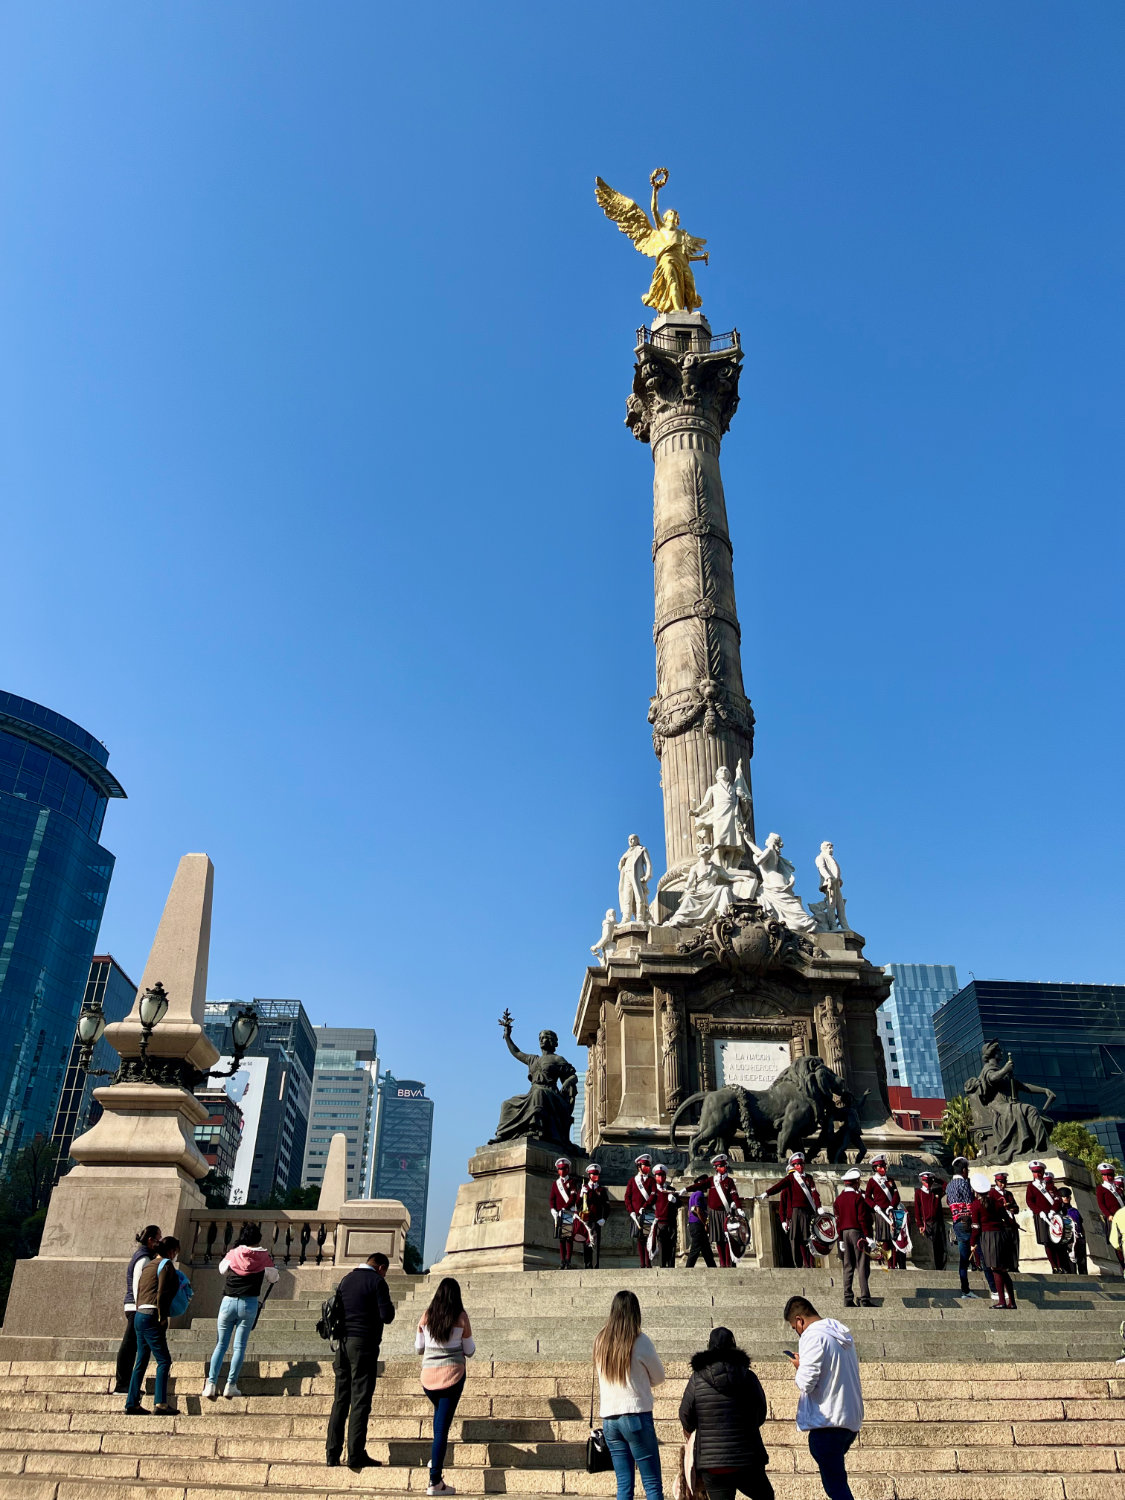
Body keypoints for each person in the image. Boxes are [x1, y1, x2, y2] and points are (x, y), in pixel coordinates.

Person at [678, 1326, 773, 1500]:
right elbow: (760, 1412)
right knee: (766, 1496)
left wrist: (697, 1430)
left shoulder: (697, 1379)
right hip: (747, 1459)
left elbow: (685, 1414)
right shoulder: (748, 1376)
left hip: (713, 1463)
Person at [783, 1296, 863, 1500]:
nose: (797, 1332)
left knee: (836, 1488)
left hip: (827, 1421)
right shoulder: (840, 1334)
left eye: (795, 1327)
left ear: (800, 1320)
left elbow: (806, 1383)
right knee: (837, 1482)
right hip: (848, 1420)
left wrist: (799, 1367)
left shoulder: (812, 1336)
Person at [326, 1251, 396, 1472]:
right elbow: (387, 1315)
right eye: (385, 1272)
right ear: (381, 1268)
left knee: (340, 1399)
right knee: (360, 1400)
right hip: (364, 1345)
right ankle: (355, 1455)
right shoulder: (377, 1282)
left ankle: (332, 1453)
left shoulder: (347, 1279)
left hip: (343, 1345)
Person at [594, 1290, 665, 1500]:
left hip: (609, 1420)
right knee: (652, 1485)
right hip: (635, 1416)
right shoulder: (640, 1340)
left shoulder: (600, 1340)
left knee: (624, 1486)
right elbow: (659, 1377)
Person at [203, 1222, 280, 1399]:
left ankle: (211, 1384)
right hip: (249, 1303)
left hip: (228, 1301)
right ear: (258, 1238)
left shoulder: (234, 1252)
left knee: (221, 1345)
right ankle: (231, 1384)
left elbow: (222, 1269)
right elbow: (274, 1277)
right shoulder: (263, 1256)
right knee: (239, 1347)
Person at [416, 1276, 475, 1497]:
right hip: (452, 1377)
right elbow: (469, 1350)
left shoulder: (426, 1316)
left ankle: (435, 1458)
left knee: (439, 1421)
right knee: (441, 1430)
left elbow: (418, 1348)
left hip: (428, 1380)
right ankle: (435, 1481)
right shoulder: (460, 1318)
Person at [125, 1235, 181, 1415]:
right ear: (171, 1251)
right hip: (152, 1314)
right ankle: (161, 1403)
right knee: (164, 1360)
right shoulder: (165, 1264)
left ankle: (132, 1402)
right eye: (175, 1252)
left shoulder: (149, 1265)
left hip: (140, 1314)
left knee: (141, 1360)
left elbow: (141, 1290)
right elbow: (162, 1292)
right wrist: (162, 1317)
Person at [115, 1224, 161, 1395]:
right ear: (150, 1240)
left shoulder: (144, 1256)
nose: (159, 1243)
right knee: (129, 1345)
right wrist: (140, 1307)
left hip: (135, 1306)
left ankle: (125, 1383)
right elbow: (138, 1286)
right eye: (158, 1239)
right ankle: (122, 1384)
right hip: (136, 1307)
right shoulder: (143, 1259)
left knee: (132, 1345)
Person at [759, 1153, 820, 1270]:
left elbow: (814, 1193)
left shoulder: (809, 1178)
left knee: (811, 1237)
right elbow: (778, 1187)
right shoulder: (791, 1179)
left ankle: (812, 1263)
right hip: (796, 1212)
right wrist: (766, 1193)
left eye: (801, 1164)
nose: (800, 1166)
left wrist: (818, 1207)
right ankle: (805, 1263)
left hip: (808, 1211)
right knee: (800, 1239)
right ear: (793, 1166)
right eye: (797, 1164)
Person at [968, 1173, 1016, 1309]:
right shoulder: (997, 1203)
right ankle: (1011, 1301)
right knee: (1003, 1270)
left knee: (995, 1269)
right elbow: (1008, 1220)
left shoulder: (976, 1205)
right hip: (1001, 1236)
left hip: (988, 1237)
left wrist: (972, 1243)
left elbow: (976, 1227)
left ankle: (1002, 1301)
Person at [832, 1169, 872, 1308]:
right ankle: (864, 1297)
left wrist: (841, 1240)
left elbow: (837, 1220)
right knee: (861, 1265)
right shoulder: (857, 1198)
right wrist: (868, 1236)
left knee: (848, 1266)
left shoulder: (838, 1199)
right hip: (857, 1232)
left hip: (844, 1234)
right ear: (855, 1183)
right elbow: (862, 1219)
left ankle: (847, 1298)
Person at [945, 1158, 978, 1298]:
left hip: (956, 1221)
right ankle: (995, 1290)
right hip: (967, 1221)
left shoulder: (949, 1185)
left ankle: (965, 1289)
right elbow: (969, 1203)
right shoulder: (963, 1183)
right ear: (964, 1170)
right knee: (979, 1252)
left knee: (963, 1260)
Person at [1026, 1161, 1066, 1274]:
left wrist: (1053, 1210)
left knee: (1056, 1241)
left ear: (1043, 1172)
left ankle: (1060, 1265)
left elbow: (1058, 1199)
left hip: (1053, 1216)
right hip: (1042, 1217)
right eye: (1034, 1172)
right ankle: (1054, 1266)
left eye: (1039, 1172)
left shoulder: (1050, 1186)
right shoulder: (1031, 1186)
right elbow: (1029, 1201)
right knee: (1047, 1242)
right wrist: (1039, 1212)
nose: (1037, 1174)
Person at [864, 1156, 904, 1270]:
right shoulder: (872, 1181)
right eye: (880, 1166)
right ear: (875, 1168)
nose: (883, 1168)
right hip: (881, 1213)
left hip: (892, 1211)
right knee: (885, 1239)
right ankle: (889, 1263)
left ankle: (894, 1263)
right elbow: (867, 1197)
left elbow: (896, 1195)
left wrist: (891, 1206)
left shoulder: (890, 1180)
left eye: (884, 1166)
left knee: (894, 1238)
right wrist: (874, 1206)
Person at [708, 1155, 746, 1268]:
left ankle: (728, 1263)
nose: (724, 1168)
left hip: (726, 1212)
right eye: (722, 1166)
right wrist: (685, 1189)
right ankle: (722, 1262)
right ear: (716, 1168)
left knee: (727, 1239)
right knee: (719, 1239)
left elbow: (734, 1195)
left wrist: (739, 1208)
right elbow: (699, 1185)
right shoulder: (712, 1180)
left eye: (725, 1166)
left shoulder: (729, 1181)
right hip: (715, 1213)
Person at [625, 1155, 659, 1268]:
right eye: (646, 1165)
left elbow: (654, 1195)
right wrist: (631, 1212)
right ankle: (642, 1263)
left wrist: (645, 1206)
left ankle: (648, 1263)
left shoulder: (651, 1180)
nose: (648, 1168)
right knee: (640, 1239)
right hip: (637, 1214)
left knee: (648, 1237)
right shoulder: (632, 1181)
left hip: (648, 1213)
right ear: (639, 1166)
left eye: (649, 1166)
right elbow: (627, 1197)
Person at [550, 1157, 583, 1271]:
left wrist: (564, 1208)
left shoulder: (572, 1182)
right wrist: (553, 1209)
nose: (562, 1171)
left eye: (564, 1169)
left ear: (568, 1169)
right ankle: (562, 1261)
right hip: (559, 1214)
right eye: (560, 1169)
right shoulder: (555, 1184)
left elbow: (573, 1197)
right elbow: (552, 1198)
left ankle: (568, 1261)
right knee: (561, 1239)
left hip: (568, 1212)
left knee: (568, 1238)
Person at [911, 1174, 946, 1271]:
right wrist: (920, 1225)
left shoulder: (936, 1191)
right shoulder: (919, 1193)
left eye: (930, 1181)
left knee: (941, 1246)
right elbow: (917, 1210)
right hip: (928, 1223)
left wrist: (937, 1180)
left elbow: (946, 1186)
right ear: (922, 1181)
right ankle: (935, 1268)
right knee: (932, 1248)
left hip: (938, 1223)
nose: (928, 1184)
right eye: (926, 1181)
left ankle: (942, 1267)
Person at [579, 1163, 610, 1269]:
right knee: (587, 1243)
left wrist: (604, 1219)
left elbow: (606, 1206)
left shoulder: (601, 1190)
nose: (595, 1176)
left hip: (597, 1220)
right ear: (589, 1176)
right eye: (593, 1174)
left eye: (596, 1174)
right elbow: (578, 1205)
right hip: (586, 1219)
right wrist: (580, 1195)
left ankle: (595, 1265)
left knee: (596, 1244)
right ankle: (587, 1264)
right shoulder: (585, 1188)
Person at [650, 1165, 681, 1268]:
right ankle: (662, 1267)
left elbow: (680, 1204)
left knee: (672, 1247)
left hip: (671, 1222)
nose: (661, 1178)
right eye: (658, 1176)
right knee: (662, 1247)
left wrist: (675, 1200)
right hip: (660, 1223)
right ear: (655, 1177)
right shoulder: (654, 1191)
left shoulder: (671, 1189)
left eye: (662, 1176)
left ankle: (671, 1267)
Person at [1096, 1163, 1124, 1271]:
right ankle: (1123, 1266)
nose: (1107, 1177)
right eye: (1105, 1175)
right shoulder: (1101, 1188)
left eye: (1110, 1175)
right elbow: (1101, 1204)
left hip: (1123, 1217)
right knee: (1117, 1243)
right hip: (1113, 1218)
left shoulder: (1118, 1189)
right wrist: (1108, 1215)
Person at [685, 1175, 717, 1269]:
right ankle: (688, 1268)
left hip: (693, 1224)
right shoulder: (699, 1194)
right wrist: (705, 1224)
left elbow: (689, 1211)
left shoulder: (693, 1195)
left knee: (706, 1249)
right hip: (698, 1225)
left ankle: (712, 1268)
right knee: (695, 1249)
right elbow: (698, 1211)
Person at [993, 1172, 1021, 1273]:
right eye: (1000, 1182)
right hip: (1001, 1224)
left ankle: (1014, 1265)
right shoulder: (992, 1193)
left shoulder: (1008, 1194)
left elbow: (1016, 1207)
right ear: (996, 1182)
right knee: (1004, 1246)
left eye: (1004, 1182)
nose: (1003, 1184)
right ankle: (1006, 1265)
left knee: (1014, 1245)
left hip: (1011, 1223)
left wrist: (1012, 1209)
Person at [1058, 1188, 1088, 1275]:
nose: (1066, 1198)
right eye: (1064, 1196)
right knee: (1071, 1265)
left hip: (1079, 1238)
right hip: (1067, 1239)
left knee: (1082, 1262)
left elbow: (1080, 1224)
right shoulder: (1059, 1212)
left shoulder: (1075, 1211)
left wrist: (1083, 1237)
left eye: (1068, 1196)